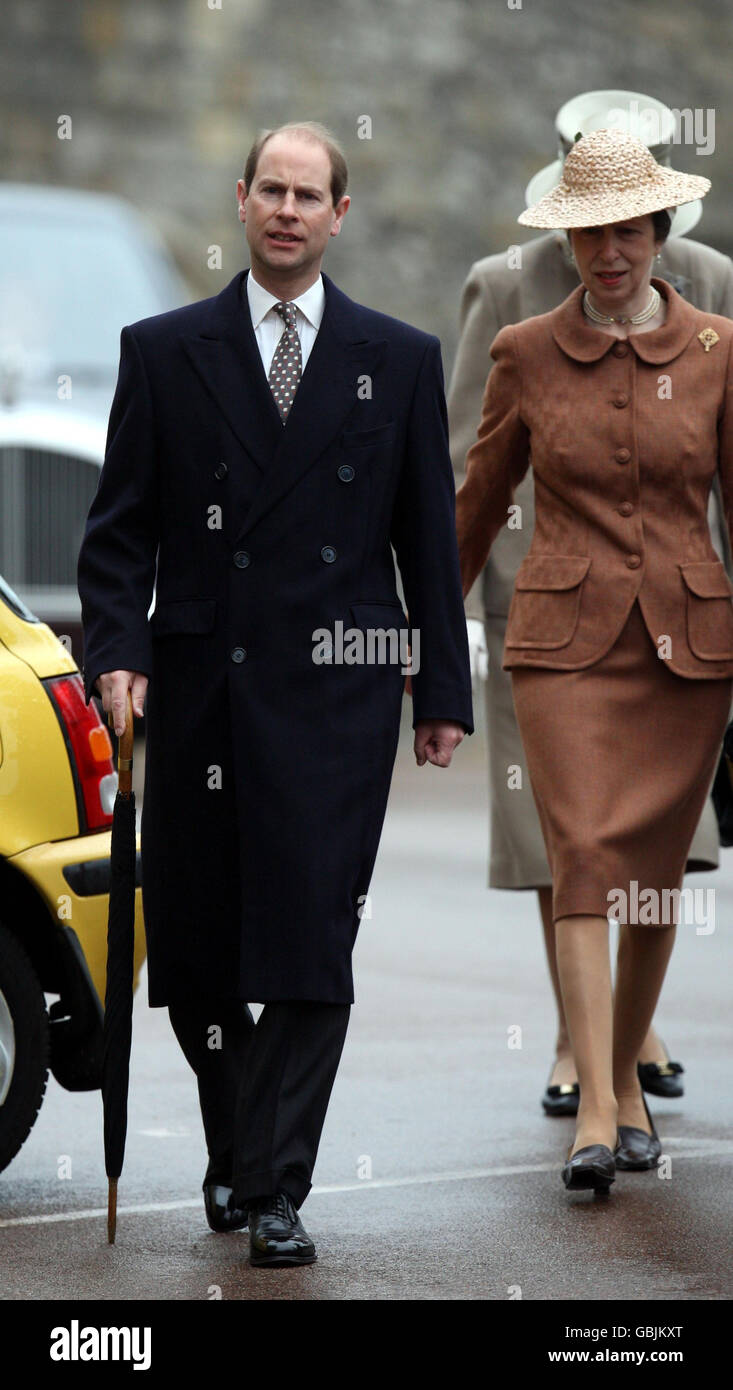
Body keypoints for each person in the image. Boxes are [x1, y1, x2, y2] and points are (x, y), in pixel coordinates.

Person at [77, 120, 473, 1263]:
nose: (291, 210)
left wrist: (438, 688)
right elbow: (118, 536)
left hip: (339, 698)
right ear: (241, 202)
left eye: (313, 194)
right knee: (198, 950)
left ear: (338, 216)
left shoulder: (396, 357)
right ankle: (239, 1143)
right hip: (199, 690)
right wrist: (118, 650)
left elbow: (425, 546)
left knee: (310, 940)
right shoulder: (162, 350)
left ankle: (276, 1186)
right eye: (274, 190)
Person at [455, 126, 733, 1193]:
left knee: (654, 882)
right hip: (560, 644)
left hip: (690, 648)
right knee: (578, 856)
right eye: (586, 232)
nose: (606, 251)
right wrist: (421, 632)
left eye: (623, 229)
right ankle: (598, 1118)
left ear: (658, 231)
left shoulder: (716, 348)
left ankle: (619, 1071)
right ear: (565, 238)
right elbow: (477, 499)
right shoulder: (524, 349)